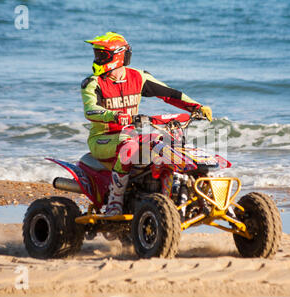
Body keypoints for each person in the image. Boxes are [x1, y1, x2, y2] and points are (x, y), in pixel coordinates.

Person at [81, 32, 212, 216]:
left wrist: (196, 107)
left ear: (117, 56)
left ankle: (186, 195)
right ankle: (115, 202)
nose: (97, 59)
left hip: (130, 135)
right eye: (97, 54)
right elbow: (90, 109)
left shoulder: (138, 77)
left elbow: (170, 94)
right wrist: (114, 116)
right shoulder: (93, 83)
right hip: (102, 139)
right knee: (130, 145)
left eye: (101, 55)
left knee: (168, 143)